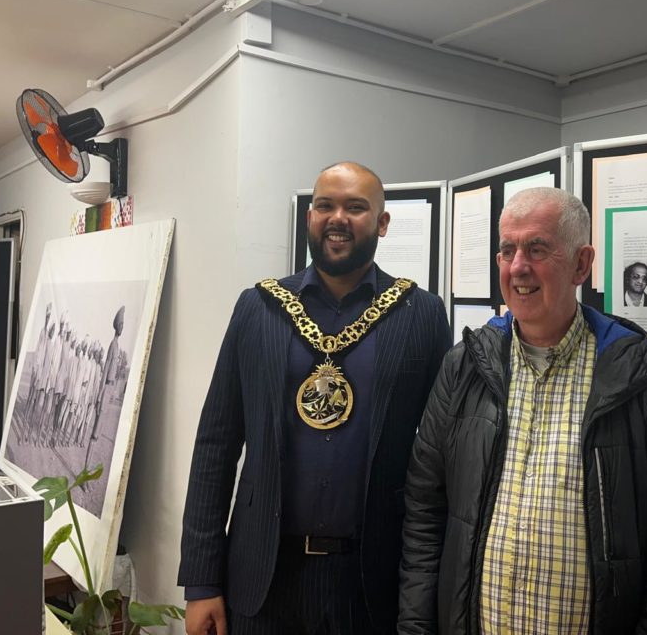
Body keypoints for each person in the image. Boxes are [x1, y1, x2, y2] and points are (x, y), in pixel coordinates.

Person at [399, 187, 647, 634]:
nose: (518, 267)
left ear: (581, 264)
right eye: (508, 250)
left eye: (537, 249)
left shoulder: (639, 377)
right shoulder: (464, 369)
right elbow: (425, 508)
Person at [179, 162, 452, 635]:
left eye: (356, 207)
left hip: (373, 582)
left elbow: (438, 460)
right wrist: (202, 582)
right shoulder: (258, 308)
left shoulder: (421, 314)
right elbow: (215, 446)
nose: (337, 218)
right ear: (310, 217)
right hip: (263, 579)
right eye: (325, 206)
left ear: (382, 223)